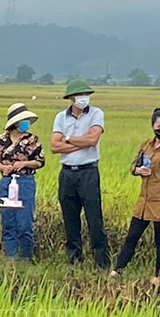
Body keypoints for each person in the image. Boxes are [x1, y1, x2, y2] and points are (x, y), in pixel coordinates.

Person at [111, 108, 160, 285]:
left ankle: (159, 276)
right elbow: (133, 165)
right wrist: (137, 170)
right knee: (132, 236)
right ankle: (117, 270)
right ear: (153, 126)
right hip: (144, 201)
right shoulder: (146, 145)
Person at [50, 79, 110, 268]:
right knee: (70, 218)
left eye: (86, 95)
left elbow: (93, 140)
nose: (84, 98)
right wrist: (80, 142)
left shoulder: (96, 113)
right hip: (67, 174)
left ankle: (101, 262)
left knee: (94, 219)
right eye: (79, 95)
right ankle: (74, 260)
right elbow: (53, 146)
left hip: (88, 172)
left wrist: (67, 139)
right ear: (70, 98)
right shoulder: (61, 117)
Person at [0, 103, 45, 261]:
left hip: (25, 181)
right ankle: (10, 257)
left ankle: (26, 257)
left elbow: (40, 161)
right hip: (7, 181)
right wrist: (2, 167)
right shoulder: (1, 141)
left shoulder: (32, 140)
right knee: (8, 220)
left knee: (25, 222)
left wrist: (25, 164)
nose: (25, 123)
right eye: (23, 120)